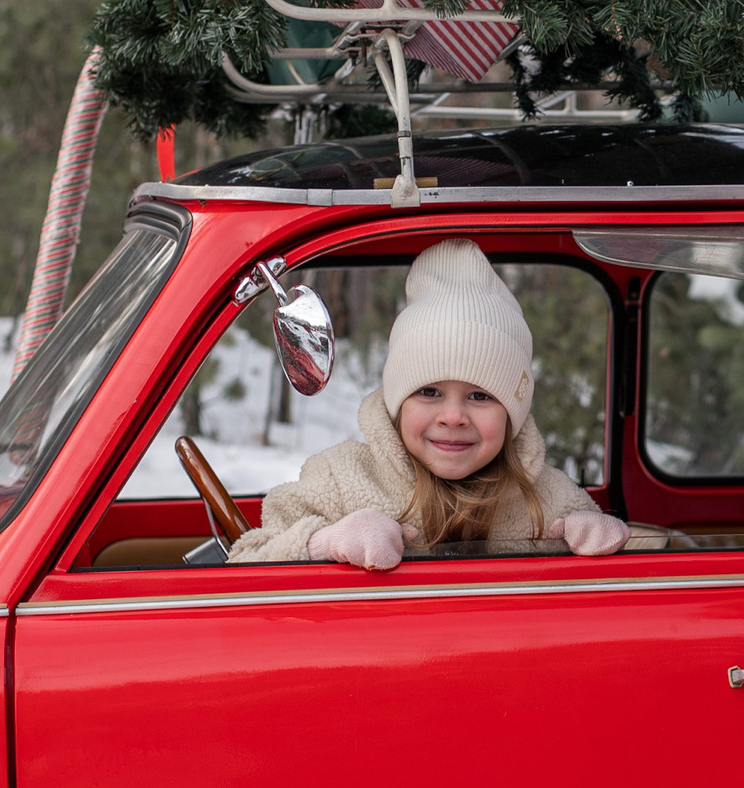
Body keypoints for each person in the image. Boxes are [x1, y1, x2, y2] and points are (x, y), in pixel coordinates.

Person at [231, 239, 630, 570]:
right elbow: (246, 561)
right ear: (398, 402)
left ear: (513, 414)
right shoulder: (340, 479)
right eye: (430, 392)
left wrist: (595, 540)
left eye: (480, 396)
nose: (453, 417)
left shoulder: (547, 496)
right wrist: (324, 543)